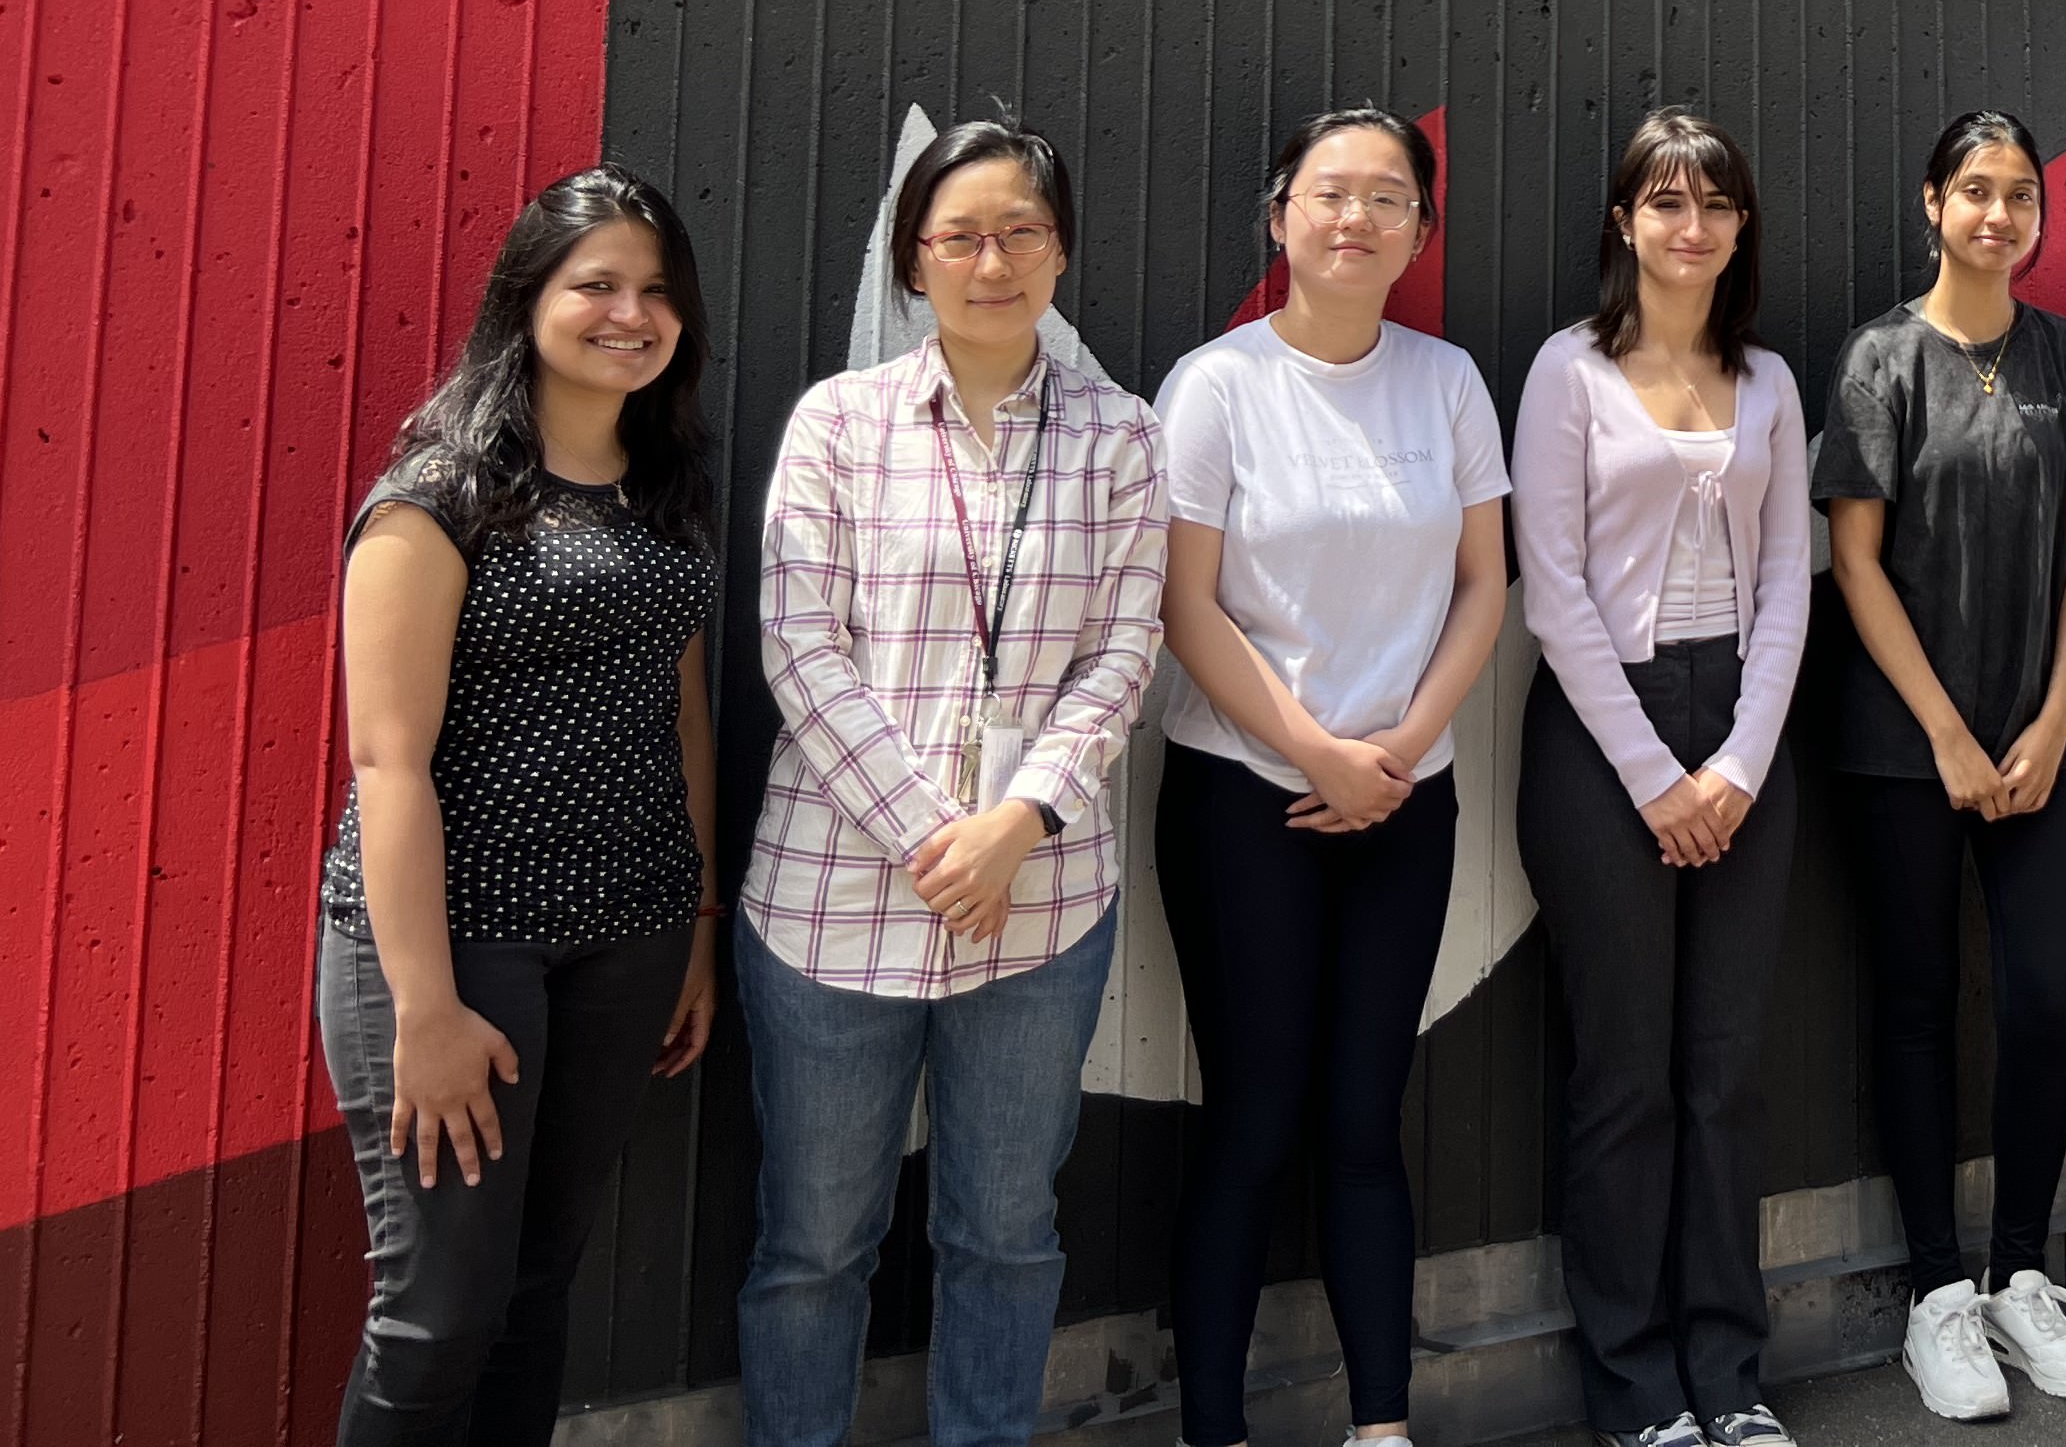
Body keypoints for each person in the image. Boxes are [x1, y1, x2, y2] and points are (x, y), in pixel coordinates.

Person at [737, 118, 1169, 1447]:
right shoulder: (839, 422)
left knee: (1004, 1229)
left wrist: (1018, 823)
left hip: (1040, 909)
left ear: (1062, 252)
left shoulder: (1121, 434)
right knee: (814, 1242)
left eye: (1022, 233)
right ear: (913, 263)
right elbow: (798, 647)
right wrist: (944, 838)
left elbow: (1122, 650)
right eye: (961, 237)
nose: (994, 260)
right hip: (831, 905)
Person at [315, 168, 722, 1447]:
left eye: (655, 291)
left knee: (538, 1292)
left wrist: (697, 925)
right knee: (438, 1316)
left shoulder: (665, 488)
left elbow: (685, 711)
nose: (629, 313)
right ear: (526, 300)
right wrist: (425, 1011)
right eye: (595, 283)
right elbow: (388, 765)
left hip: (631, 933)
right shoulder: (438, 493)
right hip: (461, 945)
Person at [1153, 108, 1511, 1447]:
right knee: (1253, 1119)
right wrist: (1313, 752)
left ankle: (1381, 1424)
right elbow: (1187, 605)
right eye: (1328, 194)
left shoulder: (1448, 382)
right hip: (1245, 795)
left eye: (1386, 199)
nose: (1355, 219)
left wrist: (1402, 749)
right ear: (1280, 216)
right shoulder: (1216, 387)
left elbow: (1486, 584)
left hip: (1406, 800)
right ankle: (1213, 1428)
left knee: (1365, 1117)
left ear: (1421, 229)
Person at [1817, 111, 2066, 1423]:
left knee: (2047, 1001)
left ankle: (2020, 1271)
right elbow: (1855, 560)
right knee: (1913, 1006)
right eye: (1975, 190)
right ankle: (1938, 1295)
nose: (1998, 214)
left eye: (2020, 195)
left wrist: (2059, 714)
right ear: (1932, 203)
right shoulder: (1880, 358)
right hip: (1907, 749)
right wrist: (1947, 733)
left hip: (2044, 740)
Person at [1515, 111, 1814, 1447]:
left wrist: (1741, 761)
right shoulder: (1567, 373)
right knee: (1625, 1076)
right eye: (1663, 203)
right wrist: (1656, 776)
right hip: (1602, 739)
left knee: (1724, 1071)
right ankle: (1638, 1392)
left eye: (1714, 205)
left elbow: (1794, 580)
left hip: (1743, 722)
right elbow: (1553, 590)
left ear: (1741, 228)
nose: (1689, 227)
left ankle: (1729, 1375)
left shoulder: (1771, 381)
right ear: (1623, 223)